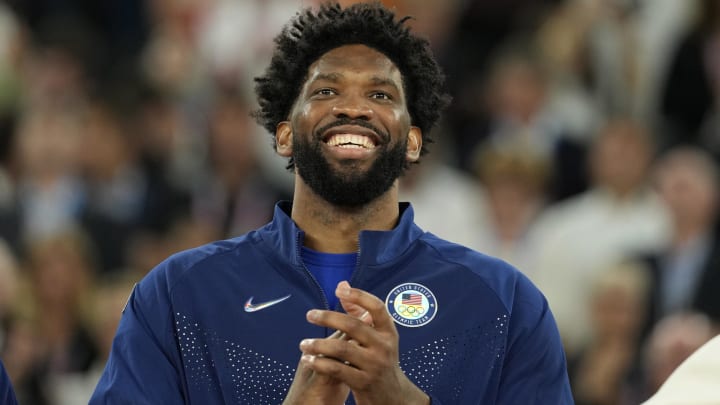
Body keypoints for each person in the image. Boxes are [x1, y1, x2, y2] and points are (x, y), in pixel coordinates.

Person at [90, 2, 573, 404]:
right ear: (283, 136)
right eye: (325, 90)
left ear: (412, 142)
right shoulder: (177, 296)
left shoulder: (506, 304)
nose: (353, 107)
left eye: (381, 94)